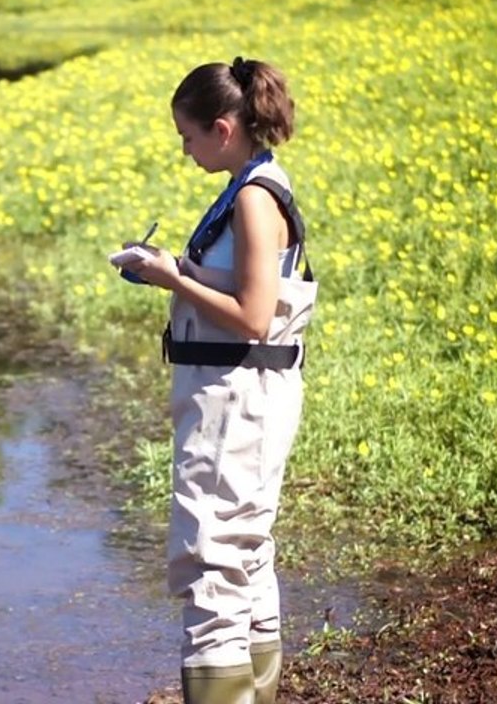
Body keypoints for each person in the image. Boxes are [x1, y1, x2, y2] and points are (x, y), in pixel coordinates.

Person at [119, 56, 316, 704]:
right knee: (244, 549)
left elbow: (254, 317)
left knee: (211, 556)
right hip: (243, 397)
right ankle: (254, 694)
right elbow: (242, 286)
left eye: (188, 136)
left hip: (239, 400)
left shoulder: (255, 200)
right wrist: (169, 266)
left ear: (224, 127)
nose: (184, 150)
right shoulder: (253, 182)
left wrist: (173, 280)